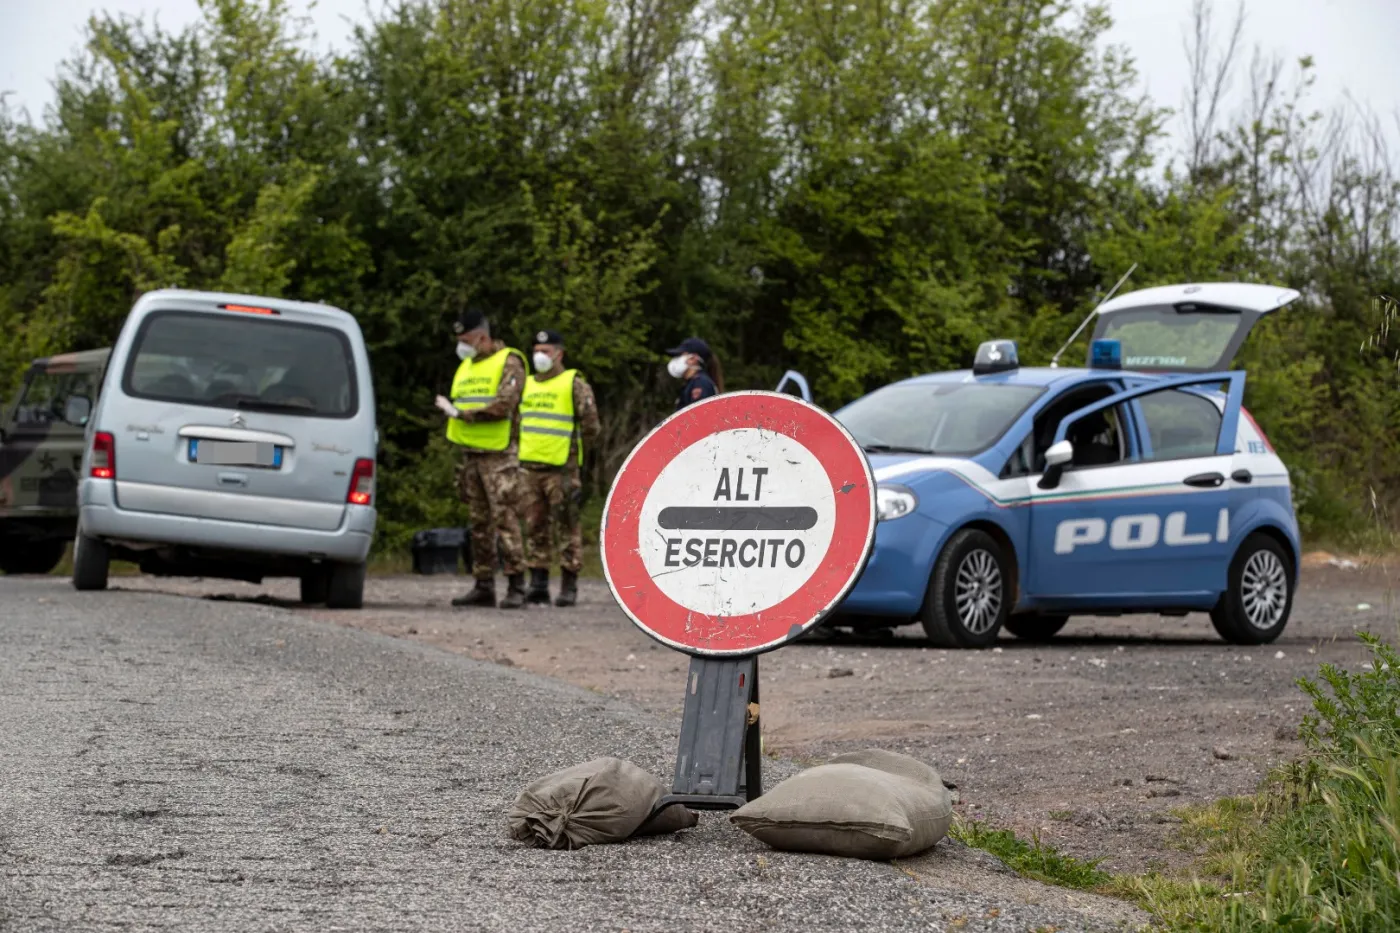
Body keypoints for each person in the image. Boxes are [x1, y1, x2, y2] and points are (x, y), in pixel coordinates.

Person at [434, 306, 529, 609]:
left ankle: (517, 585)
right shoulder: (467, 367)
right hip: (472, 456)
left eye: (466, 340)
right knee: (478, 524)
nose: (462, 346)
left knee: (505, 520)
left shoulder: (509, 362)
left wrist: (461, 414)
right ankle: (483, 585)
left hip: (499, 456)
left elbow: (504, 404)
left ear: (482, 338)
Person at [518, 330, 601, 608]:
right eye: (536, 350)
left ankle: (569, 585)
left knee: (567, 526)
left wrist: (574, 455)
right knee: (534, 526)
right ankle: (538, 584)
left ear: (559, 354)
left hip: (561, 469)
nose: (539, 356)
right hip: (530, 467)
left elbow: (591, 426)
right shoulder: (527, 384)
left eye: (545, 350)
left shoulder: (573, 384)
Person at [665, 336, 724, 410]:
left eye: (680, 355)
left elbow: (699, 414)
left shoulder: (701, 383)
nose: (676, 359)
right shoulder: (692, 383)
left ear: (693, 359)